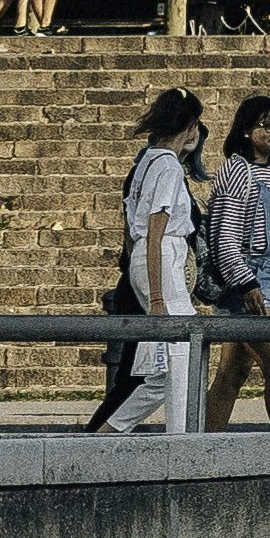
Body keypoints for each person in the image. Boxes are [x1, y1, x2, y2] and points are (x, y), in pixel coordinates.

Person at [86, 88, 208, 434]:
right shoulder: (168, 166)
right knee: (184, 352)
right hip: (162, 257)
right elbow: (157, 231)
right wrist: (156, 296)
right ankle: (182, 442)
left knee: (158, 373)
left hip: (143, 258)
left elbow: (132, 229)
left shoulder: (147, 161)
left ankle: (104, 435)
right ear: (190, 125)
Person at [201, 94, 270, 427]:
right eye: (267, 125)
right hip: (245, 291)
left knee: (232, 374)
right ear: (246, 130)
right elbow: (225, 239)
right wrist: (246, 283)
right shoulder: (237, 171)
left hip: (267, 287)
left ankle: (203, 445)